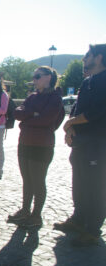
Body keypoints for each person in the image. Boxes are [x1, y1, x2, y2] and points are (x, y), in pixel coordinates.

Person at [56, 44, 106, 246]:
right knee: (80, 183)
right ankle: (78, 219)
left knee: (96, 186)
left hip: (98, 144)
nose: (84, 59)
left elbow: (98, 111)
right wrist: (70, 130)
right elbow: (76, 109)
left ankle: (93, 229)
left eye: (88, 56)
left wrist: (71, 123)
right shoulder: (88, 82)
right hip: (81, 144)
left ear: (99, 57)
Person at [7, 66, 64, 229]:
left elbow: (47, 120)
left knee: (38, 180)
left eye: (37, 76)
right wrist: (33, 114)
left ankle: (36, 215)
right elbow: (17, 113)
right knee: (27, 180)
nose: (34, 79)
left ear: (48, 77)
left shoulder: (55, 98)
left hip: (42, 145)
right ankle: (25, 210)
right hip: (25, 142)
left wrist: (27, 118)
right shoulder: (32, 97)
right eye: (34, 76)